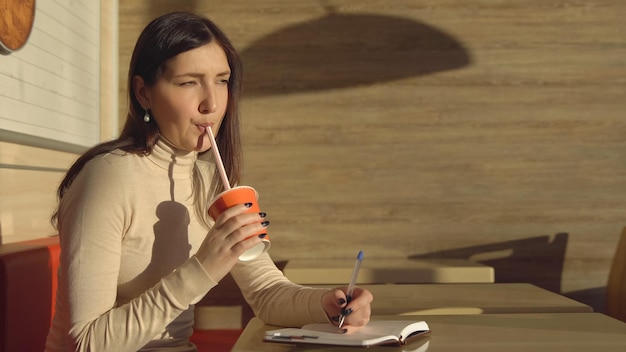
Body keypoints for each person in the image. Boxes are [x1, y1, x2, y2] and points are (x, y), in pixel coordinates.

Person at [44, 11, 373, 352]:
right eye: (189, 82)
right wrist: (203, 269)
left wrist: (330, 304)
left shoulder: (210, 178)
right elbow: (81, 342)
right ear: (144, 93)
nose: (212, 104)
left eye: (221, 80)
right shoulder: (107, 178)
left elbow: (266, 293)